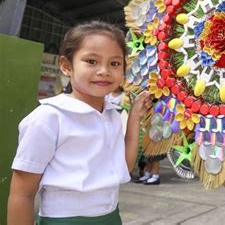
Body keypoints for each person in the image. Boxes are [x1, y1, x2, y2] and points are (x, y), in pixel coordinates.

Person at [7, 21, 152, 225]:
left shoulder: (110, 114)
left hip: (111, 217)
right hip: (65, 220)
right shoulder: (48, 117)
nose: (104, 71)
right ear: (67, 66)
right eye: (92, 61)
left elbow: (124, 167)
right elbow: (22, 193)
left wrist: (135, 116)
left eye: (115, 63)